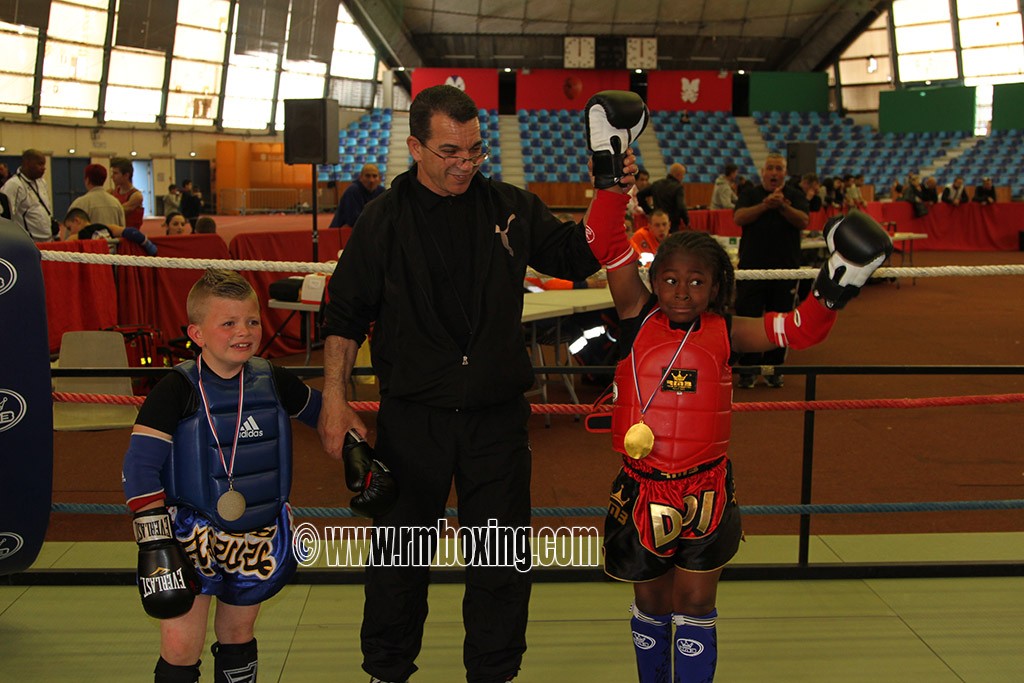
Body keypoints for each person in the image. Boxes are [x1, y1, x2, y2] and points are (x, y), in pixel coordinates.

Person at [318, 84, 645, 683]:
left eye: (474, 151)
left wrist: (609, 190)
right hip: (413, 417)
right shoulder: (381, 221)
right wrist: (334, 401)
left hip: (495, 418)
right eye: (449, 152)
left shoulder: (510, 206)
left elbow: (580, 254)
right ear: (415, 147)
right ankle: (385, 672)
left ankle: (494, 675)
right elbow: (342, 317)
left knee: (500, 561)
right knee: (398, 558)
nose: (465, 164)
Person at [585, 209, 891, 683]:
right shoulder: (635, 314)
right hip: (642, 490)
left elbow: (799, 331)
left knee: (696, 601)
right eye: (669, 280)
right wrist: (610, 166)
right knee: (650, 601)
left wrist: (836, 284)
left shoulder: (725, 331)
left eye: (696, 281)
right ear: (653, 279)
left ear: (716, 285)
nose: (682, 292)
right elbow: (606, 240)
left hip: (705, 491)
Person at [121, 269, 325, 683]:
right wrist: (155, 543)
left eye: (251, 320)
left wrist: (362, 451)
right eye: (228, 323)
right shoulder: (175, 388)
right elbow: (139, 466)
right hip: (189, 533)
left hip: (255, 531)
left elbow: (327, 416)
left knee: (238, 632)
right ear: (197, 333)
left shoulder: (272, 379)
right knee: (181, 645)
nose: (243, 332)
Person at [732, 152, 809, 389]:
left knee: (781, 320)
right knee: (749, 318)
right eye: (770, 168)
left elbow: (804, 221)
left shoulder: (795, 195)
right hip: (752, 270)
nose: (774, 172)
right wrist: (765, 206)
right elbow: (739, 218)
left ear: (784, 173)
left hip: (785, 271)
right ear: (763, 171)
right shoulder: (750, 193)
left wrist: (783, 208)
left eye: (778, 168)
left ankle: (774, 368)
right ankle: (748, 369)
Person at [1, 149, 59, 242]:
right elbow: (5, 217)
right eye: (40, 164)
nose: (44, 168)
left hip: (49, 240)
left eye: (44, 165)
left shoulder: (42, 182)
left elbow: (45, 208)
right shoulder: (14, 185)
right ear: (27, 163)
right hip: (29, 243)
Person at [63, 207, 157, 255]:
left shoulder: (75, 237)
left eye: (69, 228)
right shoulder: (106, 227)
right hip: (112, 269)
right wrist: (147, 244)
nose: (70, 232)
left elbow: (59, 251)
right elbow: (132, 232)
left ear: (77, 220)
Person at [67, 163, 126, 232]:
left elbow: (70, 232)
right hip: (112, 242)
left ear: (87, 180)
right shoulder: (116, 203)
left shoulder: (79, 203)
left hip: (89, 242)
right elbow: (122, 230)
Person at [330, 164, 385, 229]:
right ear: (360, 177)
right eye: (367, 176)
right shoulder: (352, 191)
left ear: (379, 179)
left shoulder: (382, 191)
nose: (371, 180)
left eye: (374, 176)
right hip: (341, 232)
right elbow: (353, 220)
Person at [639, 163, 689, 232]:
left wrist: (649, 211)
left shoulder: (657, 184)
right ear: (678, 175)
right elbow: (681, 206)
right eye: (683, 175)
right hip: (672, 223)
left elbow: (640, 195)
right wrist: (687, 221)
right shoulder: (678, 187)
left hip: (657, 221)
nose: (683, 177)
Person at [109, 157, 144, 229]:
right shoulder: (111, 192)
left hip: (131, 236)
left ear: (126, 175)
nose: (112, 176)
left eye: (115, 173)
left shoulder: (136, 196)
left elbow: (118, 213)